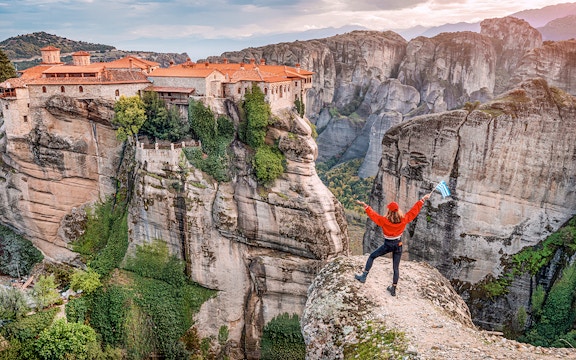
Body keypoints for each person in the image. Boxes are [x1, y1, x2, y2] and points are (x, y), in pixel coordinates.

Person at [355, 193, 431, 296]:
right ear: (398, 210)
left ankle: (363, 276)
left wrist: (366, 206)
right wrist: (422, 200)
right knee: (395, 268)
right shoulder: (404, 219)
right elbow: (413, 212)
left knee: (372, 256)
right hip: (398, 245)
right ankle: (393, 289)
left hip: (388, 245)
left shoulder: (384, 221)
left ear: (389, 211)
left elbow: (374, 216)